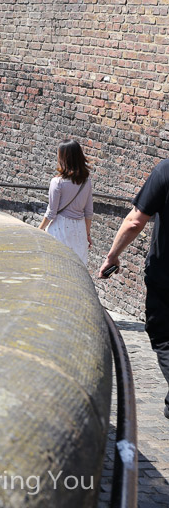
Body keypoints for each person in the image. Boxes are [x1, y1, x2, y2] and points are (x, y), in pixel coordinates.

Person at [99, 158, 169, 418]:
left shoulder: (165, 170)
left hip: (165, 277)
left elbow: (134, 222)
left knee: (163, 337)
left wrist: (112, 255)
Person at [38, 139, 94, 265]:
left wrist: (39, 230)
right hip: (79, 229)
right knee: (77, 268)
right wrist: (87, 233)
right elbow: (89, 211)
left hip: (60, 228)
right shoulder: (86, 181)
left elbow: (51, 212)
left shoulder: (57, 182)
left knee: (57, 266)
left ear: (63, 158)